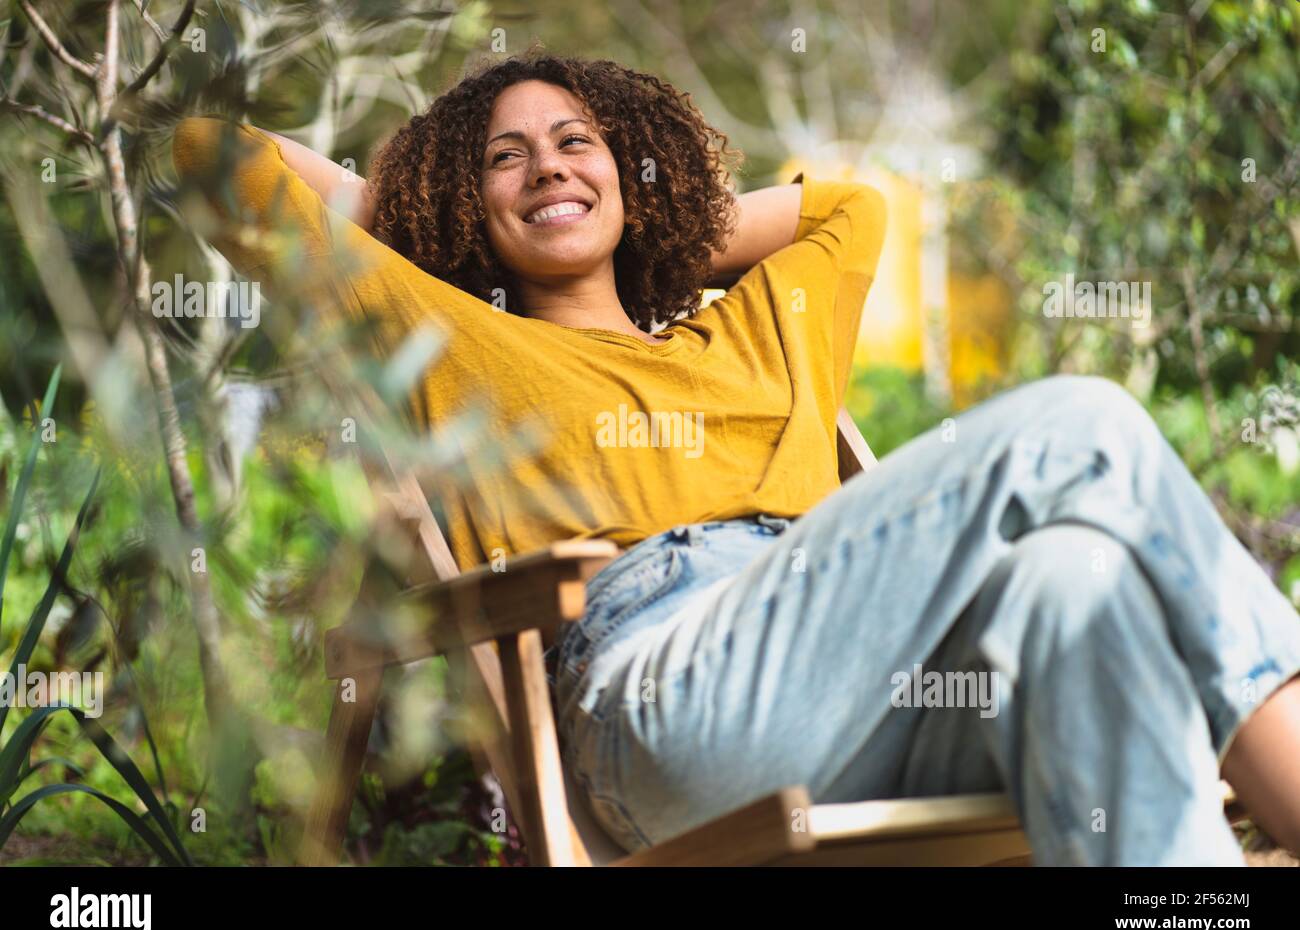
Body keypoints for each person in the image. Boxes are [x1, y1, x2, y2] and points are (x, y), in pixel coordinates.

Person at [172, 53, 1300, 865]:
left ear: (637, 170)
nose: (549, 171)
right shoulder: (442, 336)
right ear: (463, 206)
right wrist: (430, 225)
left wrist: (654, 227)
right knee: (1083, 424)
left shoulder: (761, 329)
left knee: (1078, 586)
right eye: (503, 162)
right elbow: (211, 156)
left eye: (579, 146)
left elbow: (848, 207)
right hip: (666, 701)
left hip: (861, 703)